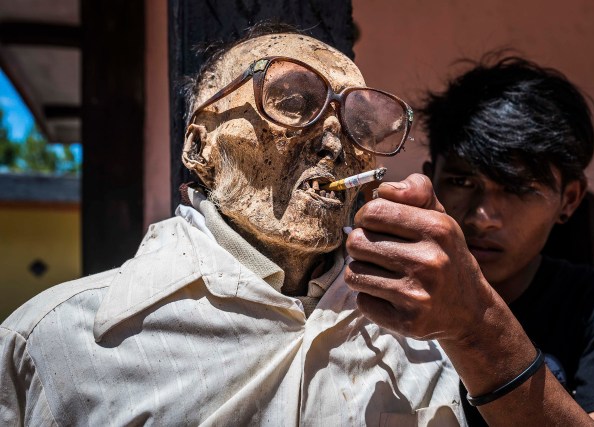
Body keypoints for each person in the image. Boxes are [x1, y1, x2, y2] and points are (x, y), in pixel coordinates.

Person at [0, 26, 465, 426]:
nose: (333, 142)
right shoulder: (60, 343)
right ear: (200, 147)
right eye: (293, 103)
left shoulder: (419, 334)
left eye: (360, 124)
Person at [344, 55, 594, 426]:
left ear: (569, 199)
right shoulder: (368, 289)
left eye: (519, 189)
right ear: (430, 177)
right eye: (462, 182)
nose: (483, 217)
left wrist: (473, 325)